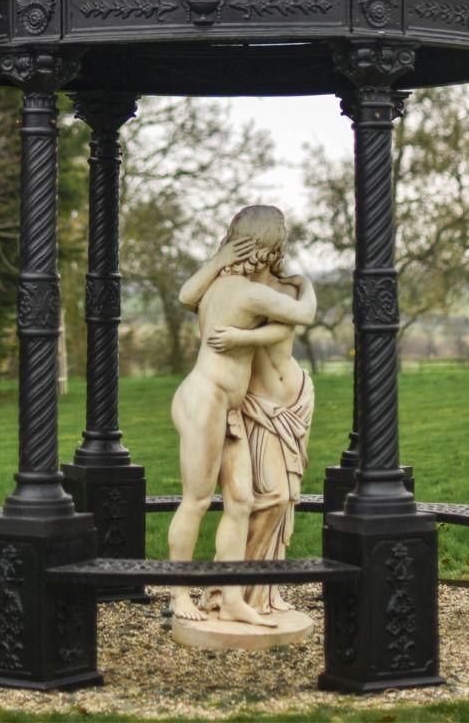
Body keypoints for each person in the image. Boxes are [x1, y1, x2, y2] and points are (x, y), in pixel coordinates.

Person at [167, 206, 316, 626]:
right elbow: (303, 315)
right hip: (205, 400)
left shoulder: (213, 285)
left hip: (225, 406)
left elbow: (186, 296)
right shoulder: (247, 293)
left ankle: (232, 597)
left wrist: (218, 260)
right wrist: (306, 283)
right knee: (196, 500)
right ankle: (179, 594)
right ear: (269, 249)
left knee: (240, 501)